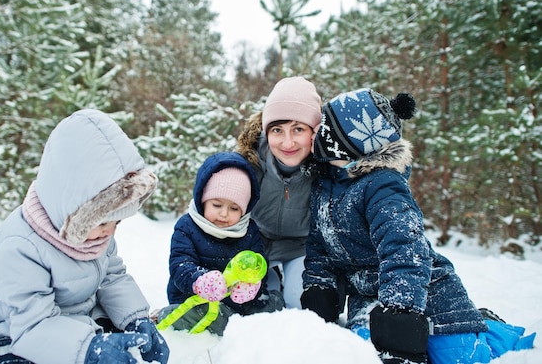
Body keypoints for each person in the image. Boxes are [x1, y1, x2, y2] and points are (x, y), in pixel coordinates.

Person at [301, 88, 536, 364]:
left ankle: (491, 328)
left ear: (345, 140)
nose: (316, 134)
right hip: (369, 299)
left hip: (425, 291)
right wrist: (320, 290)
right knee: (366, 353)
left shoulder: (383, 187)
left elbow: (405, 247)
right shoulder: (324, 186)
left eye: (324, 127)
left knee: (461, 356)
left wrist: (400, 311)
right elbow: (319, 247)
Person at [0, 109, 170, 364]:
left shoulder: (96, 235)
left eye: (117, 221)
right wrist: (88, 348)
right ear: (72, 209)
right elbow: (33, 326)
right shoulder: (20, 247)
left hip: (68, 315)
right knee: (32, 356)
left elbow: (112, 278)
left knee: (111, 336)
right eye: (104, 220)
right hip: (10, 325)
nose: (111, 230)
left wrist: (135, 319)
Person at [156, 151, 284, 335]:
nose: (224, 214)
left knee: (272, 306)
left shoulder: (249, 230)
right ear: (202, 200)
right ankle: (228, 324)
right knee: (177, 315)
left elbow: (256, 263)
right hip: (197, 301)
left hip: (239, 304)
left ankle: (237, 322)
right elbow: (179, 265)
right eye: (216, 205)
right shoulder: (187, 226)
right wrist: (199, 280)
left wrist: (251, 286)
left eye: (234, 208)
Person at [236, 76, 323, 309]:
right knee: (261, 303)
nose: (287, 143)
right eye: (277, 130)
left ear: (314, 132)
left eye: (298, 129)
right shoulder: (249, 162)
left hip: (302, 247)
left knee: (300, 303)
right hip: (256, 244)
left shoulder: (326, 168)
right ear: (266, 132)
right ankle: (272, 276)